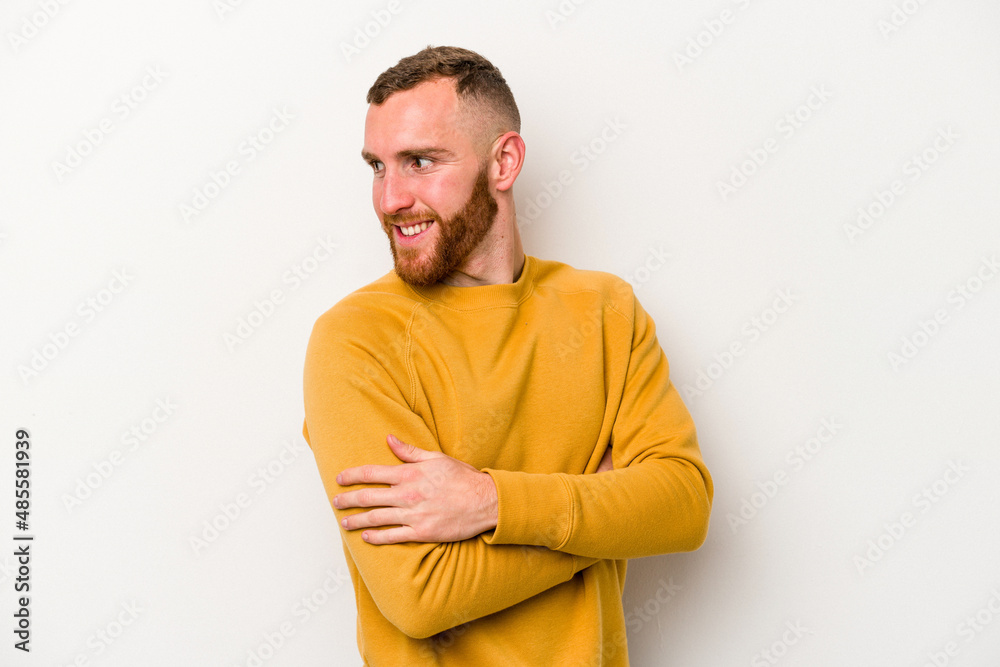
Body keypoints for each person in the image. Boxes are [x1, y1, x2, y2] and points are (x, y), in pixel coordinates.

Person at [302, 45, 713, 666]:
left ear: (504, 161)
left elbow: (682, 507)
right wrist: (603, 511)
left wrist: (491, 502)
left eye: (419, 162)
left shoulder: (605, 310)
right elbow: (422, 595)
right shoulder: (355, 339)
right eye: (378, 168)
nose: (390, 200)